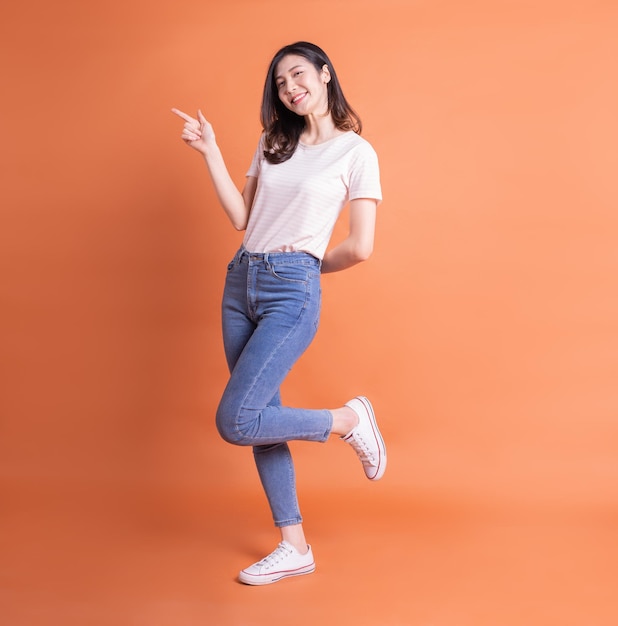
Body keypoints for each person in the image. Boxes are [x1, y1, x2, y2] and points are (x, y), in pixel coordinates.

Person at [172, 41, 386, 586]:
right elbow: (242, 215)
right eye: (281, 83)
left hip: (292, 288)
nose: (291, 88)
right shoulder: (274, 141)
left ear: (324, 73)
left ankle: (347, 420)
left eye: (298, 74)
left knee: (235, 420)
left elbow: (360, 246)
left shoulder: (356, 153)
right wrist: (210, 152)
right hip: (240, 281)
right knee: (261, 422)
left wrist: (308, 268)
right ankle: (294, 546)